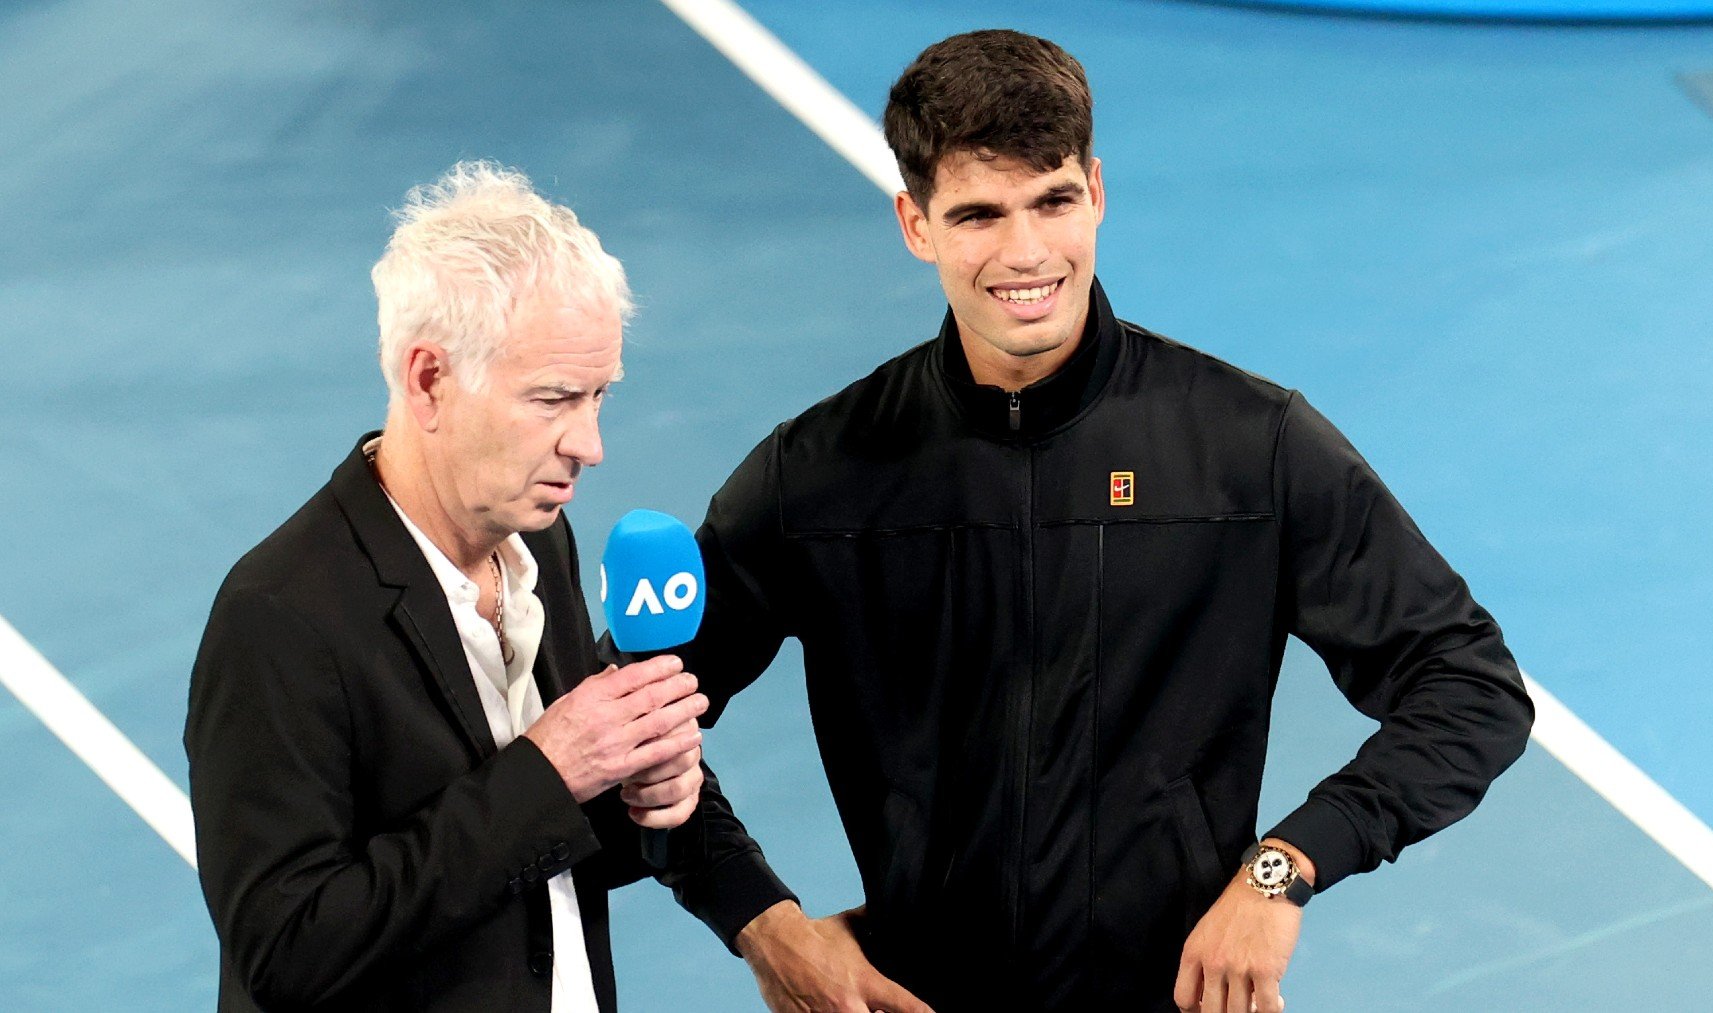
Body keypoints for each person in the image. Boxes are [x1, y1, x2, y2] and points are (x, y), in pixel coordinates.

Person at [642, 30, 1536, 1013]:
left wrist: (1283, 868)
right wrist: (761, 922)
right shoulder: (817, 477)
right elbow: (620, 726)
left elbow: (1470, 688)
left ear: (1097, 192)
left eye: (1053, 202)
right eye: (979, 214)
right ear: (915, 223)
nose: (1026, 254)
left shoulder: (1249, 446)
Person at [185, 161, 715, 1011]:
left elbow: (539, 866)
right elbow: (284, 949)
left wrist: (634, 802)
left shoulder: (545, 544)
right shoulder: (280, 616)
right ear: (429, 378)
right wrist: (549, 771)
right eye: (553, 399)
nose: (590, 444)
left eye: (600, 395)